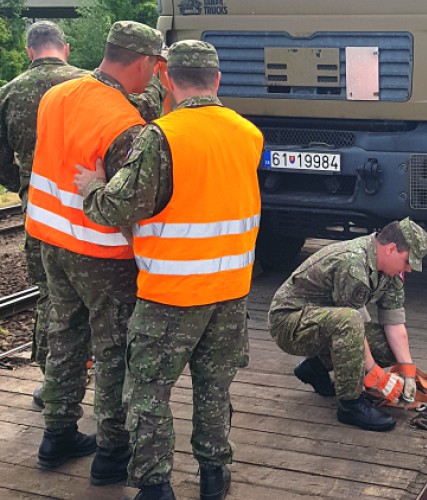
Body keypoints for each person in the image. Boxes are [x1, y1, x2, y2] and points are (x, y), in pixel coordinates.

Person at [75, 40, 263, 500]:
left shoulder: (162, 136)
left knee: (148, 391)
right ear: (217, 80)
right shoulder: (248, 134)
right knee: (214, 387)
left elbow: (119, 207)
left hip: (171, 294)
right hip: (231, 291)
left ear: (167, 79)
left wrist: (93, 187)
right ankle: (214, 474)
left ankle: (156, 484)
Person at [24, 21, 165, 485]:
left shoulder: (57, 95)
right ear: (143, 62)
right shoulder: (123, 123)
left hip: (50, 240)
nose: (155, 76)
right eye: (155, 67)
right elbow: (128, 204)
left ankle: (57, 434)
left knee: (65, 336)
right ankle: (111, 451)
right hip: (101, 253)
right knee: (112, 351)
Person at [268, 218, 427, 432]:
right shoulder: (353, 263)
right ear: (391, 249)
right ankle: (351, 404)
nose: (408, 269)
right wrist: (377, 377)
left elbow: (395, 323)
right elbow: (354, 326)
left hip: (325, 321)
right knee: (350, 321)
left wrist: (408, 371)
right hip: (289, 323)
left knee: (387, 347)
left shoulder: (391, 273)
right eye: (407, 261)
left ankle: (315, 368)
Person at [0, 21, 86, 411]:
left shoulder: (9, 93)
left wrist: (24, 184)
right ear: (65, 48)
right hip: (88, 205)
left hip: (39, 210)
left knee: (51, 294)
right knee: (99, 294)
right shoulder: (88, 84)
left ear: (29, 50)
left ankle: (54, 384)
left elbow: (1, 159)